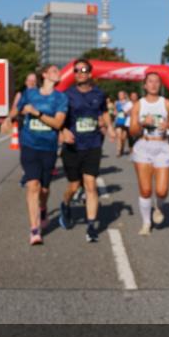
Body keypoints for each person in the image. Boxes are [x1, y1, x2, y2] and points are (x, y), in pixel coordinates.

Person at [58, 59, 115, 243]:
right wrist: (63, 130)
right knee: (74, 186)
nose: (81, 73)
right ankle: (65, 204)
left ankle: (91, 226)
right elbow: (58, 118)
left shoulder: (99, 93)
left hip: (93, 144)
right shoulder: (67, 95)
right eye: (77, 70)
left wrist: (110, 128)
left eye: (84, 70)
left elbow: (104, 112)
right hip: (73, 146)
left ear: (90, 74)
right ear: (74, 74)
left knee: (90, 184)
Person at [12, 64, 68, 245]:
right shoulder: (30, 93)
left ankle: (43, 208)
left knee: (44, 189)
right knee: (32, 185)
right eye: (54, 71)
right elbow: (18, 109)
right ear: (44, 75)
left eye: (58, 71)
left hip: (49, 147)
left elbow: (58, 123)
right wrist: (9, 117)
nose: (58, 73)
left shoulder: (61, 98)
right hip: (29, 144)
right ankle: (34, 229)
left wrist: (37, 113)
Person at [129, 72, 169, 235]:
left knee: (162, 191)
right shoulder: (139, 105)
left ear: (160, 85)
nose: (154, 84)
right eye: (150, 82)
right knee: (146, 189)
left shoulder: (167, 104)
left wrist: (167, 125)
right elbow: (133, 130)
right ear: (145, 85)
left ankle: (158, 206)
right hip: (144, 145)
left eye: (157, 81)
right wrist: (143, 123)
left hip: (162, 147)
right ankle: (146, 223)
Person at [114, 90, 132, 156]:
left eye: (121, 94)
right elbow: (115, 111)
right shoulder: (116, 102)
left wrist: (127, 113)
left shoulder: (128, 103)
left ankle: (122, 148)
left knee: (123, 138)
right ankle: (118, 151)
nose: (120, 96)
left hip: (126, 122)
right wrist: (115, 113)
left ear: (124, 95)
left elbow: (131, 111)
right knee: (118, 136)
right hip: (118, 121)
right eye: (119, 94)